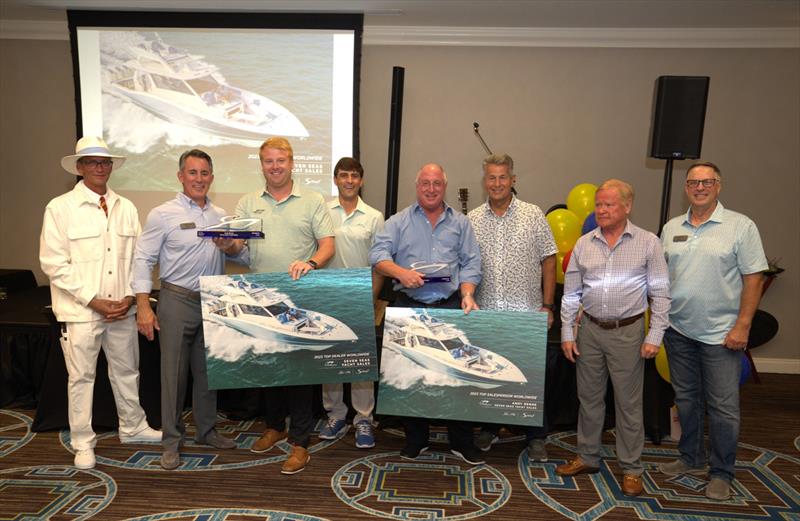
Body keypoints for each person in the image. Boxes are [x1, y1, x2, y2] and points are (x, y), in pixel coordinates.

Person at [39, 136, 161, 470]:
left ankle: (133, 427)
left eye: (105, 162)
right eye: (92, 162)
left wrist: (128, 296)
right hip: (81, 312)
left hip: (121, 308)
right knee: (81, 378)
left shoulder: (126, 207)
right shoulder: (60, 208)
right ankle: (82, 442)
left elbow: (139, 257)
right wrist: (93, 300)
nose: (99, 167)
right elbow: (53, 263)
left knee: (127, 371)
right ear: (79, 167)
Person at [658, 162, 767, 501]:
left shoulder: (740, 226)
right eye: (693, 182)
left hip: (722, 335)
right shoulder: (671, 227)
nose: (700, 187)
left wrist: (742, 325)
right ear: (686, 187)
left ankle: (721, 472)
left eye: (707, 181)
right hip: (679, 331)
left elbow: (754, 278)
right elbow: (661, 278)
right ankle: (690, 458)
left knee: (723, 407)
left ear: (718, 186)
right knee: (687, 401)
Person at [133, 149, 246, 470]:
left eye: (205, 173)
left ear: (212, 177)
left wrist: (231, 245)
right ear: (181, 176)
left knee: (208, 373)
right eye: (193, 173)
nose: (199, 179)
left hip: (212, 301)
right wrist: (143, 304)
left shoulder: (221, 215)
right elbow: (143, 259)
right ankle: (171, 441)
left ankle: (207, 431)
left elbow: (240, 254)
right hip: (176, 300)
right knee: (174, 375)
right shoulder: (161, 214)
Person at [557, 179, 670, 497]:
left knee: (628, 404)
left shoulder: (648, 243)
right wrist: (568, 332)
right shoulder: (584, 244)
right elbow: (571, 294)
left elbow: (660, 293)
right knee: (589, 399)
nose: (601, 210)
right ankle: (588, 456)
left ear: (627, 206)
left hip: (628, 333)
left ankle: (632, 469)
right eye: (598, 204)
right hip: (590, 331)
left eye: (608, 204)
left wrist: (655, 335)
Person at [369, 162, 483, 465]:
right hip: (409, 306)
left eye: (436, 183)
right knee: (411, 376)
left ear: (444, 186)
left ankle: (462, 442)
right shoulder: (398, 221)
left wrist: (468, 293)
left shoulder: (461, 223)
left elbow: (471, 264)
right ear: (417, 186)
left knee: (458, 376)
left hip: (449, 307)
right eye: (425, 184)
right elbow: (378, 255)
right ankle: (416, 439)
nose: (431, 189)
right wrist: (400, 273)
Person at [237, 137, 335, 475]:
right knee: (270, 369)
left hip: (299, 299)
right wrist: (225, 243)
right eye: (268, 161)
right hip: (260, 298)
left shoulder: (312, 200)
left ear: (292, 163)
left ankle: (300, 442)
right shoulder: (249, 202)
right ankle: (275, 426)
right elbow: (237, 247)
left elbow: (327, 245)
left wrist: (311, 262)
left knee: (300, 373)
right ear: (261, 164)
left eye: (280, 160)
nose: (275, 167)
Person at [467, 153, 557, 461]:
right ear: (485, 181)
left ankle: (536, 437)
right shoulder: (473, 219)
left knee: (533, 378)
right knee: (490, 373)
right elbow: (467, 265)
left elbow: (549, 260)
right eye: (491, 178)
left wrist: (547, 305)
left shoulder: (533, 215)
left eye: (502, 177)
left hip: (526, 315)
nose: (496, 183)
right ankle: (490, 428)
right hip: (488, 313)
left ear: (513, 180)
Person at [319, 157, 385, 449]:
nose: (348, 180)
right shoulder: (321, 211)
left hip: (361, 295)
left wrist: (371, 297)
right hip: (328, 295)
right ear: (335, 179)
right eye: (343, 175)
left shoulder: (374, 216)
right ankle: (335, 415)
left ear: (361, 181)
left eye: (354, 176)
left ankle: (363, 419)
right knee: (329, 360)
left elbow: (380, 263)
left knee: (360, 363)